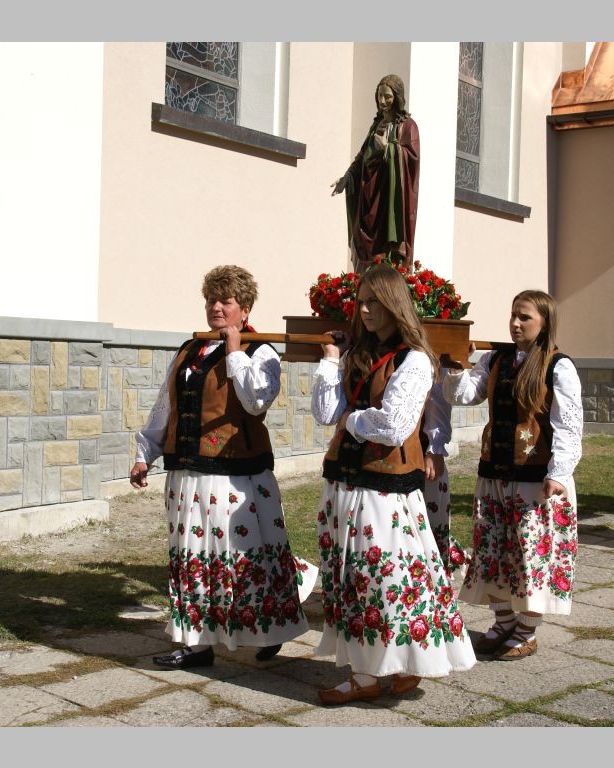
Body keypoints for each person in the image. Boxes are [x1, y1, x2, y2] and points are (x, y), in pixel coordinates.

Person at [129, 265, 313, 669]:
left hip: (236, 475)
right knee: (193, 557)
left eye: (225, 301)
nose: (215, 307)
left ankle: (270, 629)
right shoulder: (189, 350)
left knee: (246, 559)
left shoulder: (262, 352)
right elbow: (166, 405)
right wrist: (146, 453)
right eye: (211, 299)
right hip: (187, 473)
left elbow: (256, 402)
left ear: (244, 309)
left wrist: (234, 352)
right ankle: (196, 645)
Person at [310, 263, 475, 704]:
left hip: (384, 489)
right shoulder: (357, 355)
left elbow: (394, 426)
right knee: (352, 579)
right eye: (361, 302)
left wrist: (350, 419)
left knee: (386, 580)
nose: (364, 310)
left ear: (394, 304)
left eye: (374, 302)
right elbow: (325, 413)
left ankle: (395, 664)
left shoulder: (415, 360)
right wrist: (330, 362)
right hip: (345, 480)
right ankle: (371, 672)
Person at [443, 290, 583, 660]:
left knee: (529, 555)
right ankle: (503, 620)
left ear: (544, 323)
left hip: (535, 479)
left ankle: (526, 630)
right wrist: (455, 366)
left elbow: (569, 425)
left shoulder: (558, 366)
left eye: (525, 317)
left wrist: (559, 472)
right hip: (495, 472)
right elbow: (464, 395)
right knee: (494, 551)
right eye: (513, 315)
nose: (515, 324)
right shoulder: (495, 359)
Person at [331, 74, 420, 274]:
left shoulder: (408, 126)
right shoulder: (376, 125)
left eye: (387, 96)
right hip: (369, 197)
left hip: (390, 202)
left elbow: (411, 159)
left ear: (397, 97)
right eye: (380, 96)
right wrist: (348, 176)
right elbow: (362, 156)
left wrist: (388, 149)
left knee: (386, 250)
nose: (382, 101)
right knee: (364, 241)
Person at [422, 380, 466, 576]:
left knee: (428, 524)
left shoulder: (429, 366)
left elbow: (437, 396)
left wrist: (435, 449)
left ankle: (435, 578)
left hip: (420, 453)